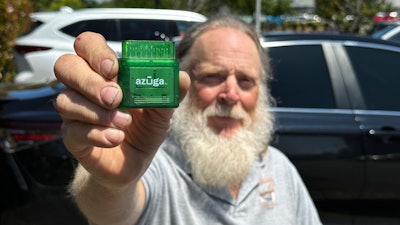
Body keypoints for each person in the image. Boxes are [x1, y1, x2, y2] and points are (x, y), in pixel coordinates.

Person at [54, 15, 322, 225]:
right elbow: (109, 212)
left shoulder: (278, 167)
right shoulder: (155, 163)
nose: (230, 95)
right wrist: (113, 183)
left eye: (246, 81)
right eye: (212, 76)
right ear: (178, 83)